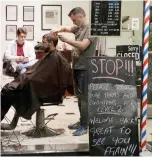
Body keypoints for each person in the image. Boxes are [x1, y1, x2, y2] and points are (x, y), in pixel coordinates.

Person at [1, 34, 73, 130]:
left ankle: (12, 124)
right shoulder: (51, 55)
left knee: (11, 91)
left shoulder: (55, 57)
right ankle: (12, 124)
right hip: (40, 86)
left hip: (48, 92)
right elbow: (39, 74)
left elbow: (47, 77)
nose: (42, 45)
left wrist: (26, 80)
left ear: (51, 43)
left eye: (44, 42)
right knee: (9, 89)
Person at [51, 7, 98, 136]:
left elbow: (83, 45)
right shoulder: (79, 28)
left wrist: (66, 40)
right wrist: (58, 29)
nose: (73, 23)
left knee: (85, 99)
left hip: (86, 68)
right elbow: (67, 28)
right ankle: (82, 120)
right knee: (79, 97)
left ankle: (85, 126)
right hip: (77, 66)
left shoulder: (91, 29)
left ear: (80, 16)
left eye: (74, 20)